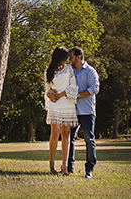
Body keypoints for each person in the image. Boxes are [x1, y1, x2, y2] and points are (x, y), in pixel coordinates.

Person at [44, 46, 79, 175]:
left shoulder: (69, 69)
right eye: (66, 57)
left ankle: (64, 166)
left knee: (66, 133)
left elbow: (73, 86)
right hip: (55, 103)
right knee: (55, 131)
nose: (68, 60)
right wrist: (50, 93)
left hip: (67, 101)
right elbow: (47, 88)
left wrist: (62, 94)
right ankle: (51, 165)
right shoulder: (48, 71)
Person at [66, 46, 99, 178]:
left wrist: (77, 95)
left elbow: (94, 89)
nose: (70, 60)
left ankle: (89, 170)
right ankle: (69, 168)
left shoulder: (90, 71)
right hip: (72, 111)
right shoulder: (70, 71)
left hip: (87, 111)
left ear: (79, 57)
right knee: (69, 138)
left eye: (72, 57)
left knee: (89, 139)